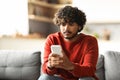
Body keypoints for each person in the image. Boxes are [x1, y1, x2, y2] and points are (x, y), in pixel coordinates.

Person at [39, 6, 99, 80]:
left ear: (79, 26)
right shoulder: (52, 39)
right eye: (63, 24)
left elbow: (90, 70)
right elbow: (45, 70)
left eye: (71, 24)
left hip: (80, 78)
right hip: (61, 79)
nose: (66, 28)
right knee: (45, 78)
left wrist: (70, 66)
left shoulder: (90, 41)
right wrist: (50, 66)